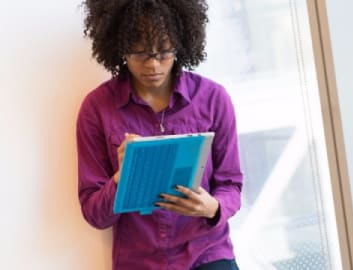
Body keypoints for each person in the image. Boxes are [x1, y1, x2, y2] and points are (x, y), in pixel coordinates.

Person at [76, 1, 242, 269]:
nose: (153, 64)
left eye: (164, 51)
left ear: (181, 42)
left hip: (207, 254)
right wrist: (122, 176)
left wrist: (212, 207)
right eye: (139, 53)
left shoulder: (213, 99)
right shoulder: (97, 109)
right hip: (140, 261)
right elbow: (94, 214)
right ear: (120, 47)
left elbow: (232, 183)